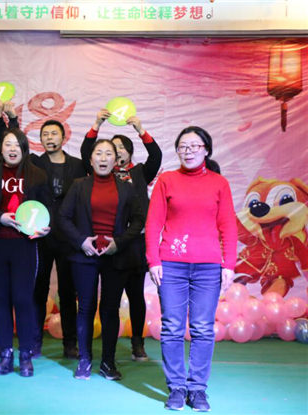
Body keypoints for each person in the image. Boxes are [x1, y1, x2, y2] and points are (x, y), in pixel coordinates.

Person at [145, 126, 236, 412]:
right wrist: (153, 260)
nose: (189, 151)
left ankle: (197, 389)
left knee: (202, 328)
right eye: (183, 146)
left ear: (206, 150)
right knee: (172, 327)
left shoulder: (219, 183)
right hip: (171, 264)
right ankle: (176, 387)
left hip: (208, 267)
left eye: (195, 146)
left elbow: (228, 225)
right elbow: (153, 223)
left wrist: (229, 264)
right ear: (177, 150)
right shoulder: (167, 180)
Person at [59, 139, 144, 381]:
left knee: (109, 310)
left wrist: (119, 242)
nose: (104, 158)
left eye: (109, 154)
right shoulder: (78, 186)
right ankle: (84, 360)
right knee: (85, 308)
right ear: (91, 159)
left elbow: (139, 219)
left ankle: (108, 362)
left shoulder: (126, 188)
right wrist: (81, 241)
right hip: (84, 256)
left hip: (115, 257)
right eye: (99, 153)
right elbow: (63, 217)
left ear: (116, 160)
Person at [81, 110, 162, 360]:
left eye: (121, 148)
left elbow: (156, 156)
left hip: (135, 243)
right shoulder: (102, 174)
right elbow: (85, 153)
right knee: (110, 299)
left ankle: (138, 343)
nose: (116, 152)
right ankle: (108, 351)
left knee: (136, 295)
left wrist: (141, 130)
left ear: (129, 152)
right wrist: (96, 124)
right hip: (109, 243)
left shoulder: (140, 172)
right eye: (111, 149)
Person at [0, 128, 50, 377]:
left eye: (17, 144)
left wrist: (45, 228)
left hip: (24, 245)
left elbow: (48, 209)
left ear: (24, 148)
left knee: (23, 299)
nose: (12, 149)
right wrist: (0, 218)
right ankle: (5, 353)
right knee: (0, 299)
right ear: (1, 148)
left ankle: (25, 354)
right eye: (8, 144)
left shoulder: (38, 175)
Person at [30, 119, 86, 359]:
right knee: (38, 290)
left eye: (54, 133)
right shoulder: (34, 164)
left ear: (64, 137)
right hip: (40, 236)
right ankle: (34, 342)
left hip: (69, 237)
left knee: (68, 292)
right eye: (45, 134)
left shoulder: (78, 166)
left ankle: (70, 343)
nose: (49, 138)